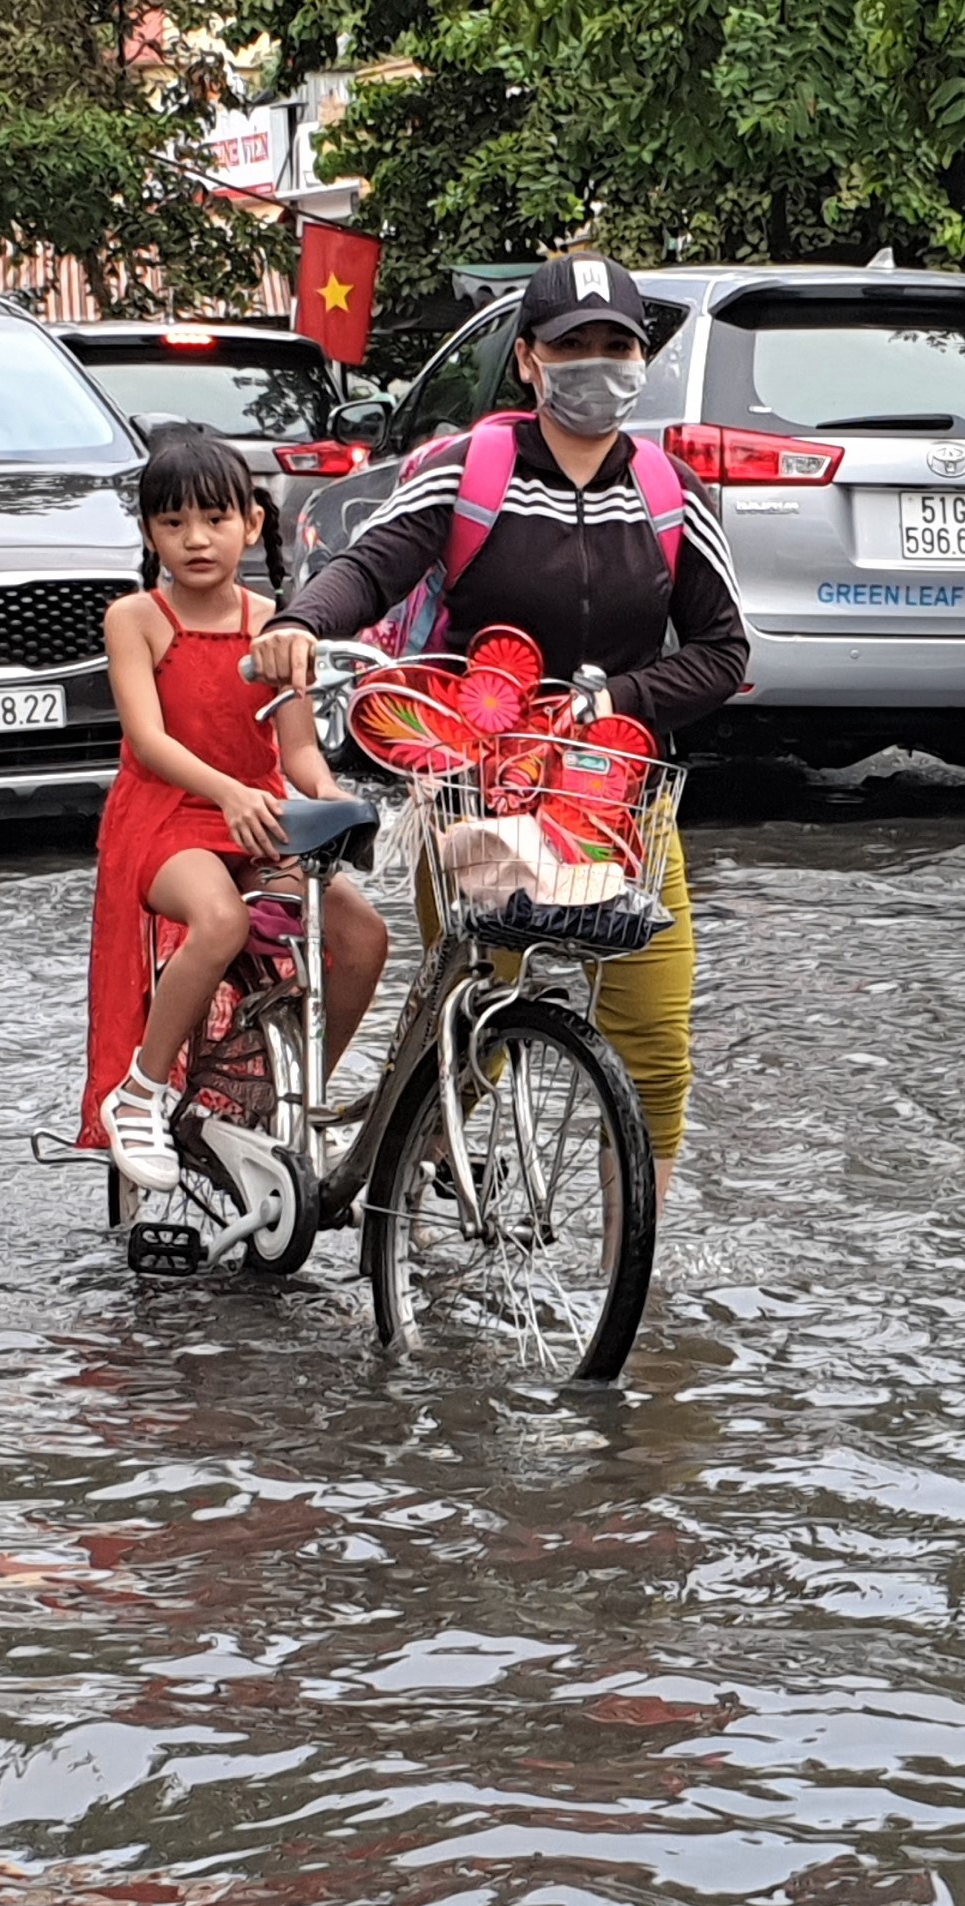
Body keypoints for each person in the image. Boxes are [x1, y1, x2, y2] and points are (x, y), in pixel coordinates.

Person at [251, 252, 747, 1205]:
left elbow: (724, 650)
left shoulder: (670, 492)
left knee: (654, 1050)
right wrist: (299, 623)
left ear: (642, 361)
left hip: (621, 801)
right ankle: (413, 1198)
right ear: (528, 359)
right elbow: (371, 565)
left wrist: (618, 702)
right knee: (473, 1015)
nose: (594, 366)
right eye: (572, 347)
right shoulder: (467, 467)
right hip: (482, 796)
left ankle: (632, 1282)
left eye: (616, 346)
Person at [82, 429, 390, 1193]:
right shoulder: (136, 618)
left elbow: (297, 754)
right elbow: (147, 741)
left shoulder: (278, 622)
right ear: (149, 532)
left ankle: (295, 1095)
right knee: (217, 919)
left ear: (251, 524)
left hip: (257, 815)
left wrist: (329, 796)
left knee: (361, 933)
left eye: (215, 520)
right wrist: (226, 790)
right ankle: (142, 1091)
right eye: (173, 523)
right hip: (166, 818)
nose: (195, 539)